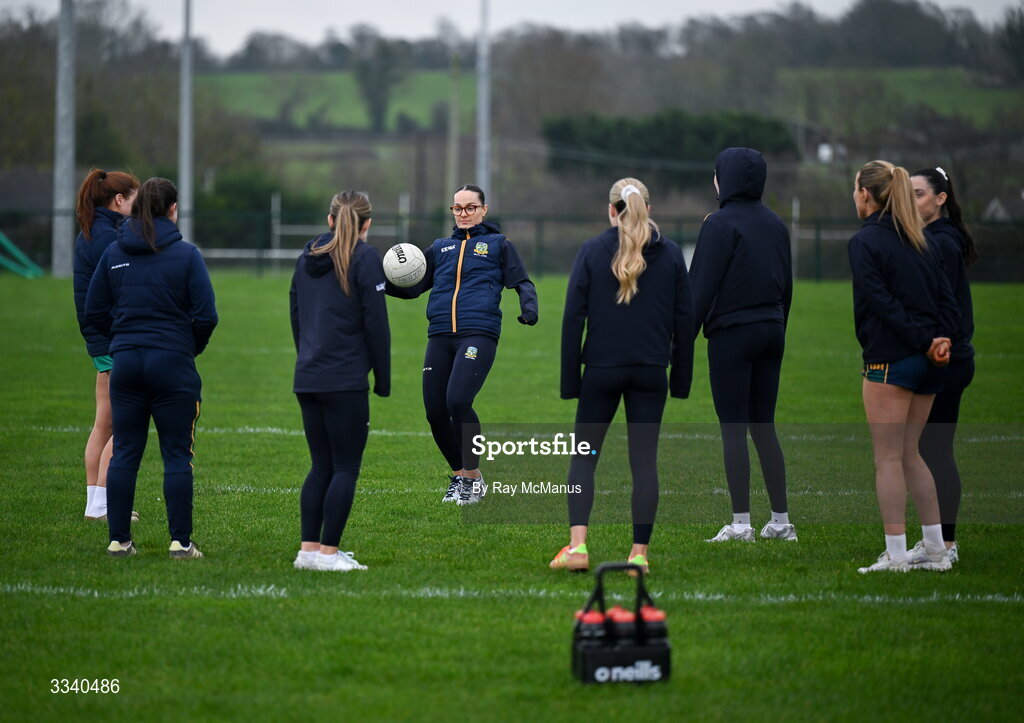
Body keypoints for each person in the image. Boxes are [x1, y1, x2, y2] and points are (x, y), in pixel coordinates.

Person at [552, 177, 694, 574]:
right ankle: (638, 555)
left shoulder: (592, 250)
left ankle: (577, 548)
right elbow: (685, 320)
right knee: (644, 462)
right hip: (651, 372)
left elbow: (571, 319)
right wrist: (681, 379)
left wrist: (570, 381)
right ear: (647, 209)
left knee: (585, 458)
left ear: (612, 210)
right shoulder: (670, 255)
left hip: (601, 370)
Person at [85, 177, 218, 559]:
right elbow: (206, 315)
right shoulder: (187, 255)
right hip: (172, 364)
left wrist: (124, 339)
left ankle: (120, 541)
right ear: (173, 210)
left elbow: (94, 311)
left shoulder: (114, 251)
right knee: (177, 455)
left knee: (125, 450)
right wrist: (188, 346)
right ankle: (180, 542)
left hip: (126, 364)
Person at [386, 184, 538, 505]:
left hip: (478, 333)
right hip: (439, 335)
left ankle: (473, 477)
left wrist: (529, 309)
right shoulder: (440, 248)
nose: (464, 214)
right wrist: (377, 285)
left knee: (457, 400)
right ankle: (460, 476)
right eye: (458, 208)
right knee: (434, 411)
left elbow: (521, 281)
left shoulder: (498, 244)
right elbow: (413, 289)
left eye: (470, 207)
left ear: (484, 210)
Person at [847, 160, 960, 573]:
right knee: (912, 454)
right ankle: (935, 550)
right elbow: (947, 300)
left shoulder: (865, 242)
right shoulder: (921, 237)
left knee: (889, 460)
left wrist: (923, 341)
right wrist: (942, 340)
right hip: (931, 362)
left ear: (865, 195)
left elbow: (881, 302)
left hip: (892, 359)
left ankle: (895, 556)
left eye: (854, 189)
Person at [688, 148, 796, 543]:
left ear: (724, 179)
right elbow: (787, 287)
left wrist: (677, 345)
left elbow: (699, 290)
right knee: (763, 425)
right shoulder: (777, 224)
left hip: (734, 334)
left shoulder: (718, 224)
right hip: (773, 329)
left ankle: (740, 523)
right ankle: (781, 521)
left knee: (733, 426)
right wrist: (779, 324)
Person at [290, 191, 389, 572]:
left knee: (321, 466)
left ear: (330, 220)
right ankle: (328, 554)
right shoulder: (365, 258)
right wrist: (382, 378)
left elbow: (296, 313)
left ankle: (308, 551)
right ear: (367, 224)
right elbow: (376, 325)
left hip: (309, 375)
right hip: (345, 379)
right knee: (345, 467)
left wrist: (308, 357)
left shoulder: (306, 256)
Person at [912, 167, 977, 564]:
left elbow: (948, 315)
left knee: (933, 452)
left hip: (946, 359)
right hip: (947, 357)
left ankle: (945, 545)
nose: (912, 200)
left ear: (940, 199)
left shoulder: (940, 243)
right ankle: (939, 541)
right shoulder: (934, 239)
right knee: (930, 450)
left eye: (919, 194)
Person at [72, 168, 139, 521]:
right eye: (135, 199)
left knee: (105, 422)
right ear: (119, 200)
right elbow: (117, 289)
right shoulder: (106, 238)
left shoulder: (97, 229)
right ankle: (102, 504)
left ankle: (96, 503)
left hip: (102, 337)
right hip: (113, 337)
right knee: (124, 423)